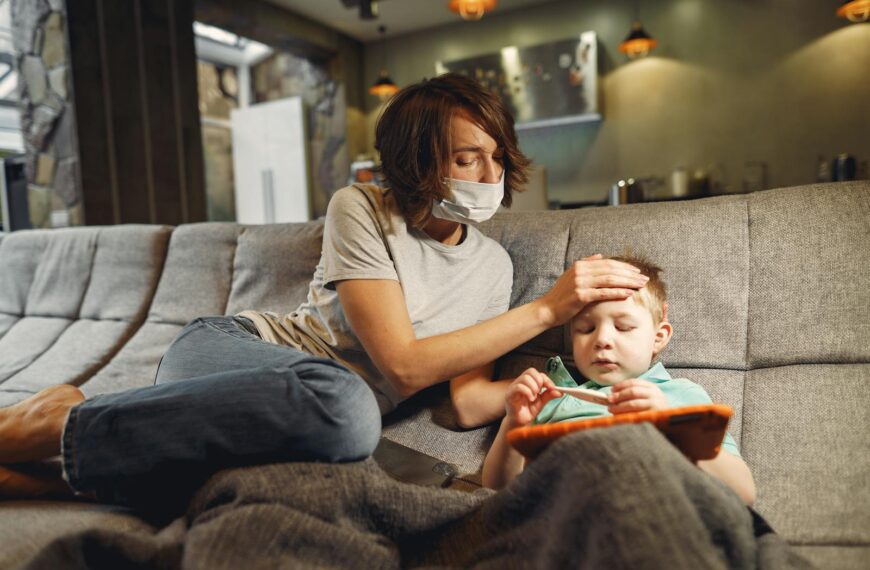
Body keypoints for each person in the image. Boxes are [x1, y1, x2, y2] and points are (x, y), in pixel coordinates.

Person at [0, 73, 649, 508]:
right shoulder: (362, 208)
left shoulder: (491, 266)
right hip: (231, 354)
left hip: (323, 418)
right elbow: (399, 364)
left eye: (497, 156)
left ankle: (41, 458)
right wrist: (546, 310)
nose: (491, 174)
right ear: (421, 162)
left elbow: (461, 401)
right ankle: (56, 425)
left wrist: (556, 390)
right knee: (348, 407)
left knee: (275, 468)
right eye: (465, 157)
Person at [482, 254, 757, 505]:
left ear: (658, 337)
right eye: (586, 328)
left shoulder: (681, 396)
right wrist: (514, 424)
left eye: (623, 327)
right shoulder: (552, 399)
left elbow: (743, 492)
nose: (601, 340)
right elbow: (496, 489)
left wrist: (671, 426)